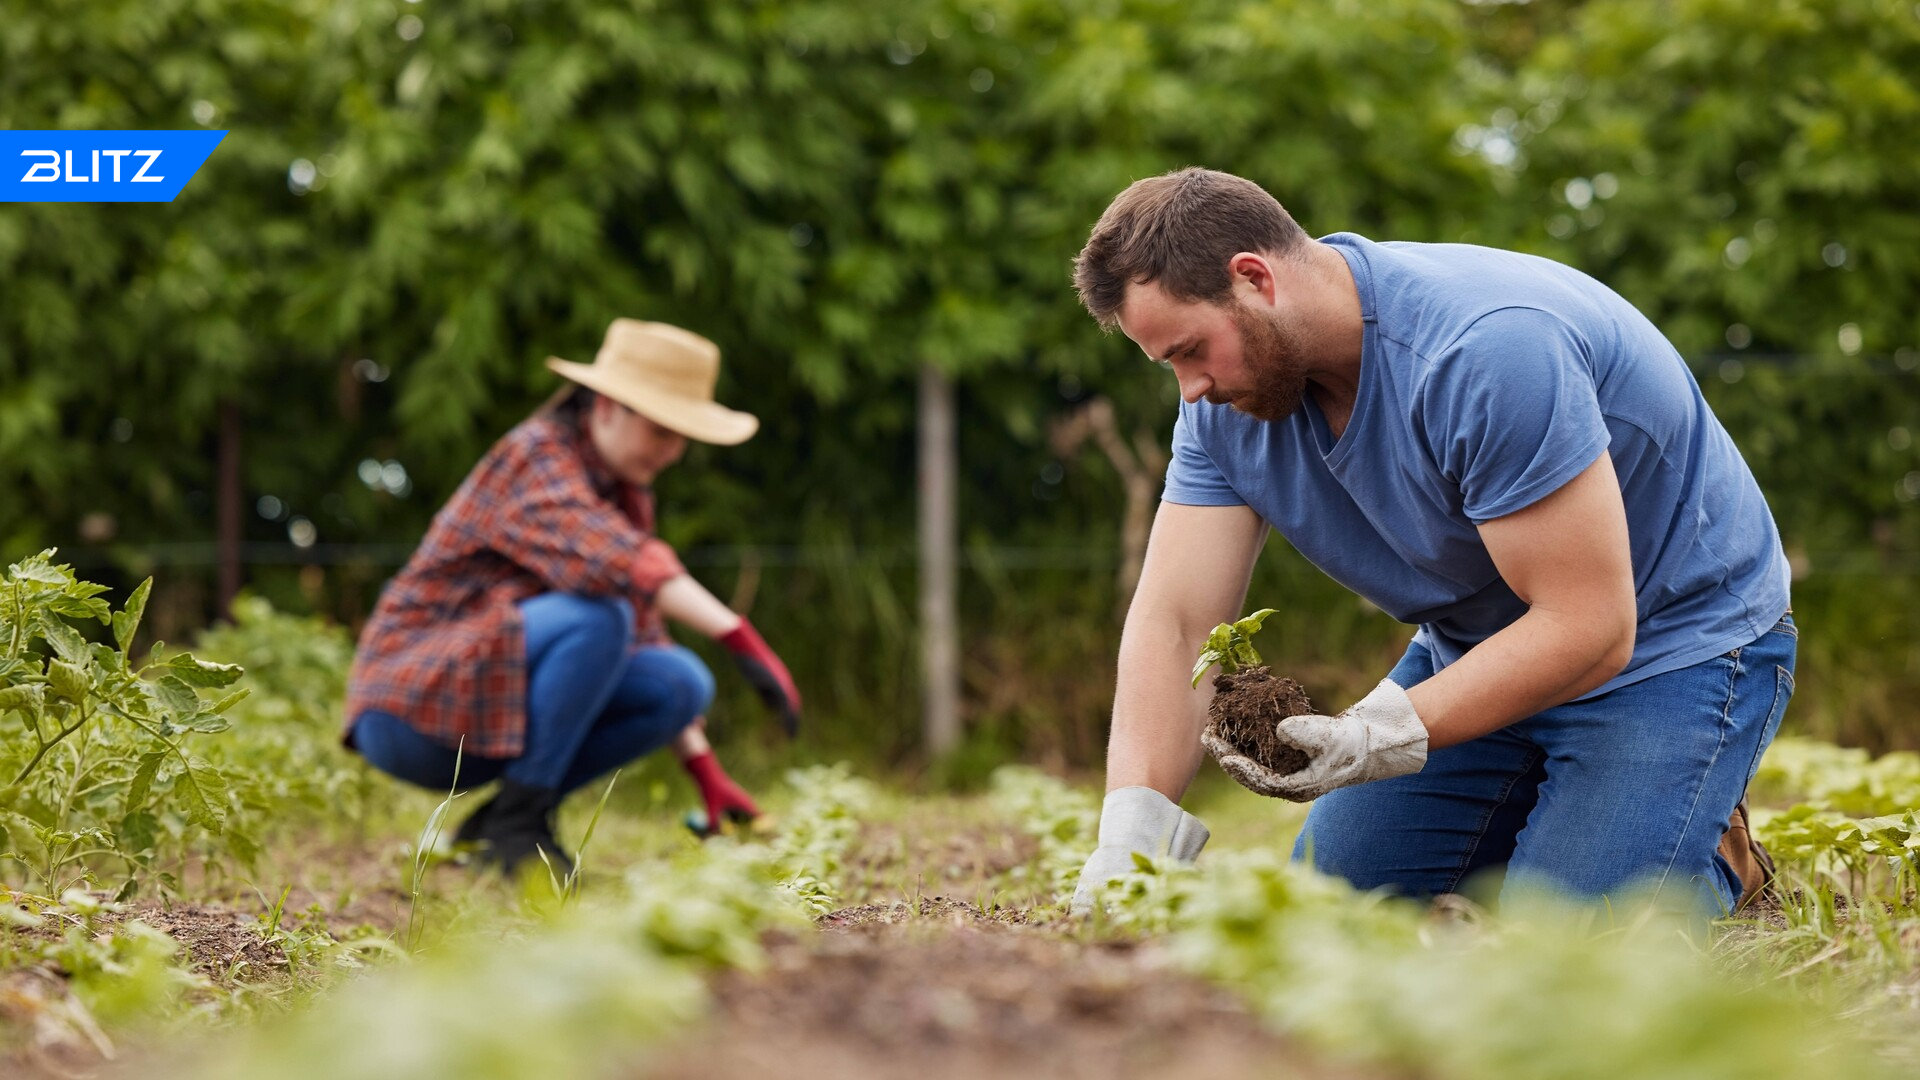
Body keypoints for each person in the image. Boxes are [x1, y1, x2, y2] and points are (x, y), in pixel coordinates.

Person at [1067, 168, 1792, 917]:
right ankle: (1569, 832)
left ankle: (1718, 862)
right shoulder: (1226, 408)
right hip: (1479, 647)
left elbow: (1591, 627)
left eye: (1190, 351)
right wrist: (1132, 835)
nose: (1189, 388)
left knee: (1568, 951)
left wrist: (1371, 737)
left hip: (1672, 646)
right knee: (1336, 912)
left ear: (1254, 279)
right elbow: (1179, 622)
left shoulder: (1485, 351)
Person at [343, 320, 803, 874]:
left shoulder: (623, 493)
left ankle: (505, 824)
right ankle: (517, 827)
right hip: (409, 711)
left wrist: (708, 776)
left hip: (491, 699)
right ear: (608, 406)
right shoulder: (534, 455)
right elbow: (619, 558)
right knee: (598, 617)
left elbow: (645, 632)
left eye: (682, 436)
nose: (674, 451)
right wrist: (739, 636)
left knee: (680, 682)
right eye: (662, 431)